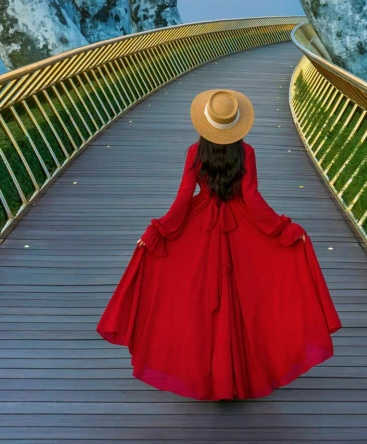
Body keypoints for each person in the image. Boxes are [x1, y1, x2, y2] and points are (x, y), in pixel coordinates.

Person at [97, 89, 341, 400]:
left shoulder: (194, 153)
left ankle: (208, 376)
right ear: (237, 125)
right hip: (241, 224)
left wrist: (159, 230)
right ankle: (237, 378)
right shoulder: (247, 152)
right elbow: (251, 199)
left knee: (200, 302)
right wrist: (282, 228)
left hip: (200, 224)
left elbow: (185, 197)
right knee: (240, 299)